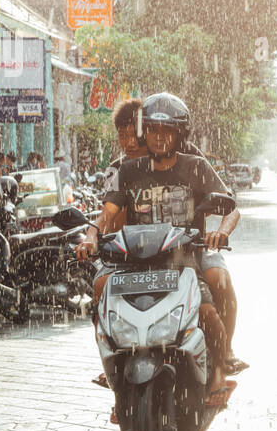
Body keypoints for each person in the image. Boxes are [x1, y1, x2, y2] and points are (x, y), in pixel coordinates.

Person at [76, 93, 240, 409]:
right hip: (138, 263)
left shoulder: (195, 165)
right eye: (153, 130)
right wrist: (91, 236)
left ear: (179, 134)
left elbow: (231, 207)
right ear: (145, 133)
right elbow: (108, 212)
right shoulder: (128, 170)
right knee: (107, 300)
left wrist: (221, 231)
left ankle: (219, 367)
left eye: (167, 131)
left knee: (206, 310)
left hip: (182, 260)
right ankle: (117, 377)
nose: (160, 138)